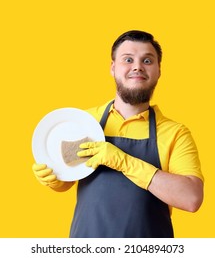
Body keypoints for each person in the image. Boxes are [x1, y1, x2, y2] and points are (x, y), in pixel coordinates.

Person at [32, 30, 204, 238]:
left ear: (159, 70)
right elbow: (67, 180)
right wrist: (54, 177)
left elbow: (191, 198)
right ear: (113, 68)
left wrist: (124, 162)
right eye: (128, 59)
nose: (137, 66)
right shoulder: (84, 121)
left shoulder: (175, 133)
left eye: (147, 60)